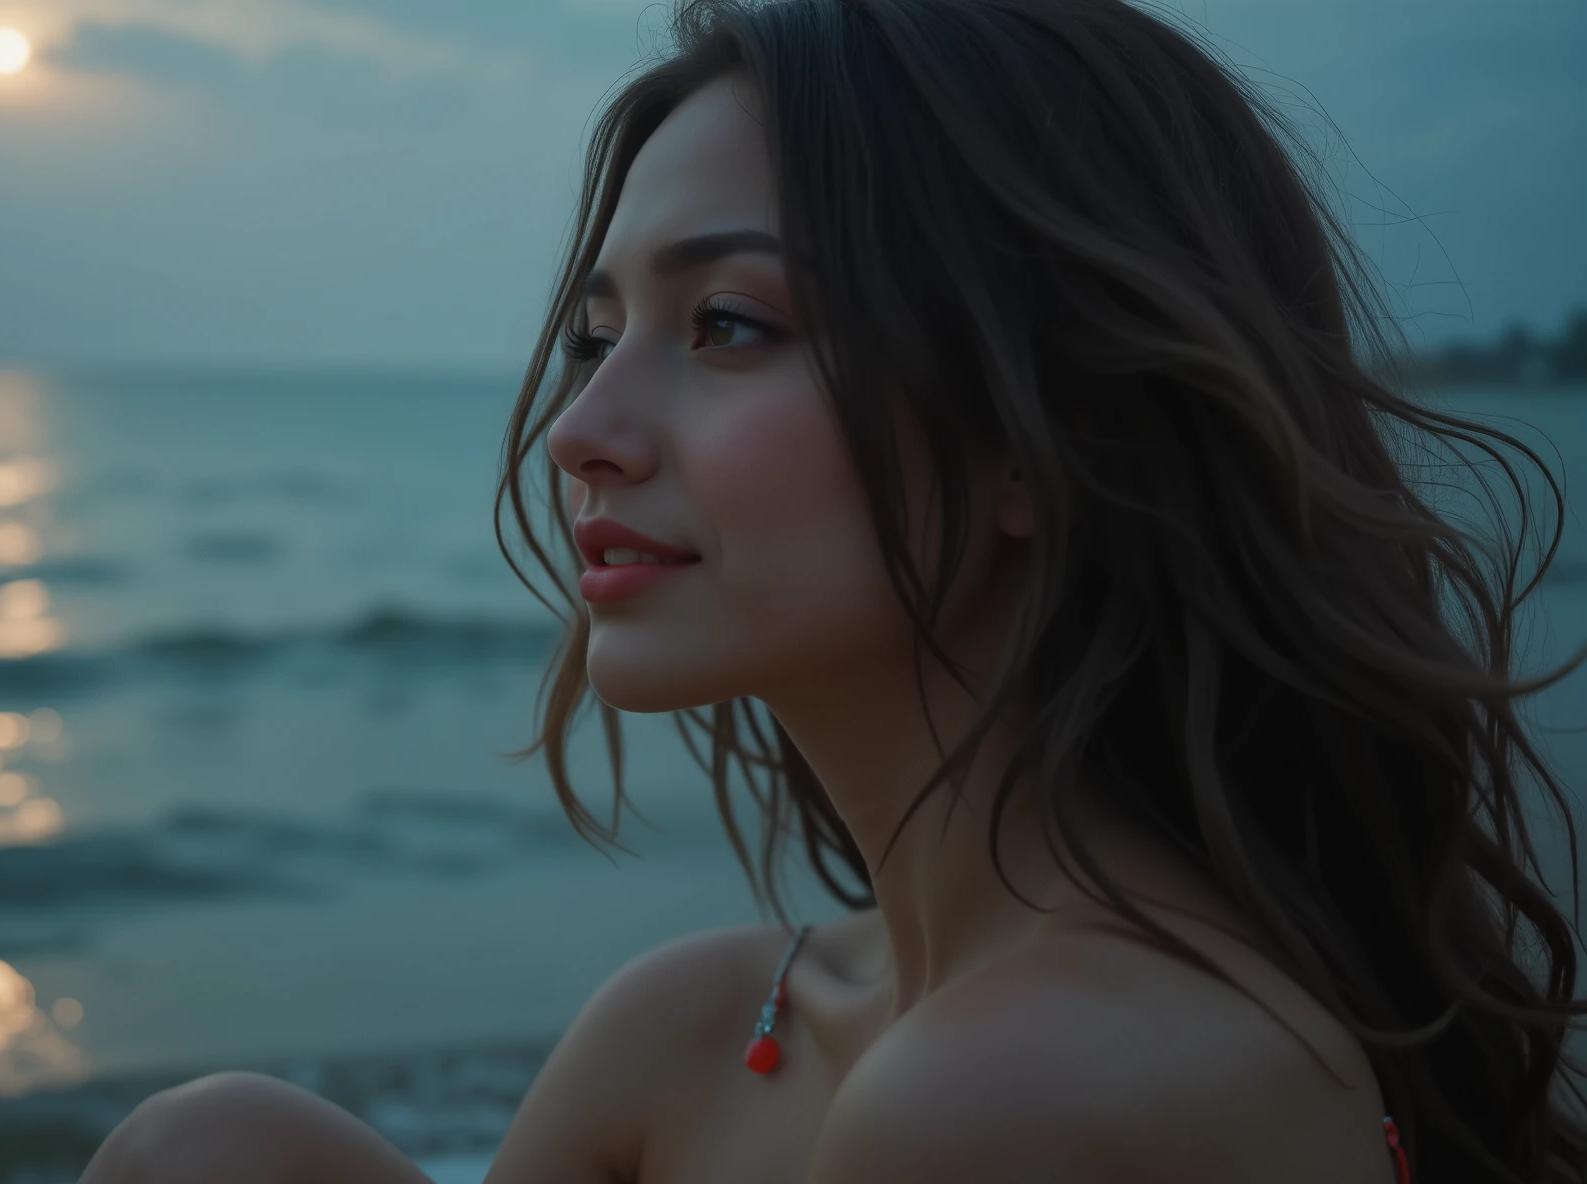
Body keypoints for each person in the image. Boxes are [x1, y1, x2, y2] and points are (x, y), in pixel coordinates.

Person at [79, 0, 1586, 1180]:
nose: (579, 435)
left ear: (1043, 440)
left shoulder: (1015, 1097)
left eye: (727, 325)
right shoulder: (691, 1034)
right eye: (598, 336)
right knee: (204, 1151)